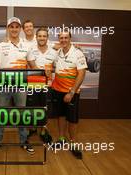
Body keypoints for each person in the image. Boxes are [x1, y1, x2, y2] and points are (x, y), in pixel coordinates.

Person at [0, 17, 35, 154]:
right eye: (11, 26)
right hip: (4, 84)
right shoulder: (0, 46)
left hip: (21, 85)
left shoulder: (27, 46)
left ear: (20, 29)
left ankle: (24, 140)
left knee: (21, 113)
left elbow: (33, 66)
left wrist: (44, 73)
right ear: (7, 28)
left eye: (16, 27)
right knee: (1, 113)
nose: (14, 29)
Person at [51, 30, 87, 159]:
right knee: (60, 115)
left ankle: (73, 143)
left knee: (72, 119)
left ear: (70, 38)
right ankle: (61, 139)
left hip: (71, 92)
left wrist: (71, 92)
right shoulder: (58, 52)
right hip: (57, 90)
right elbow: (43, 45)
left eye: (66, 37)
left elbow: (82, 74)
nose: (63, 40)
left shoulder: (78, 53)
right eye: (61, 38)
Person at [27, 27, 57, 144]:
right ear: (36, 37)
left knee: (45, 109)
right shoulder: (30, 50)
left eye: (44, 36)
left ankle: (44, 131)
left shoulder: (54, 53)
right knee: (32, 109)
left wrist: (52, 70)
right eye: (40, 36)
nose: (42, 38)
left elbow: (57, 67)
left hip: (47, 86)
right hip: (33, 85)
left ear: (47, 38)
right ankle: (33, 129)